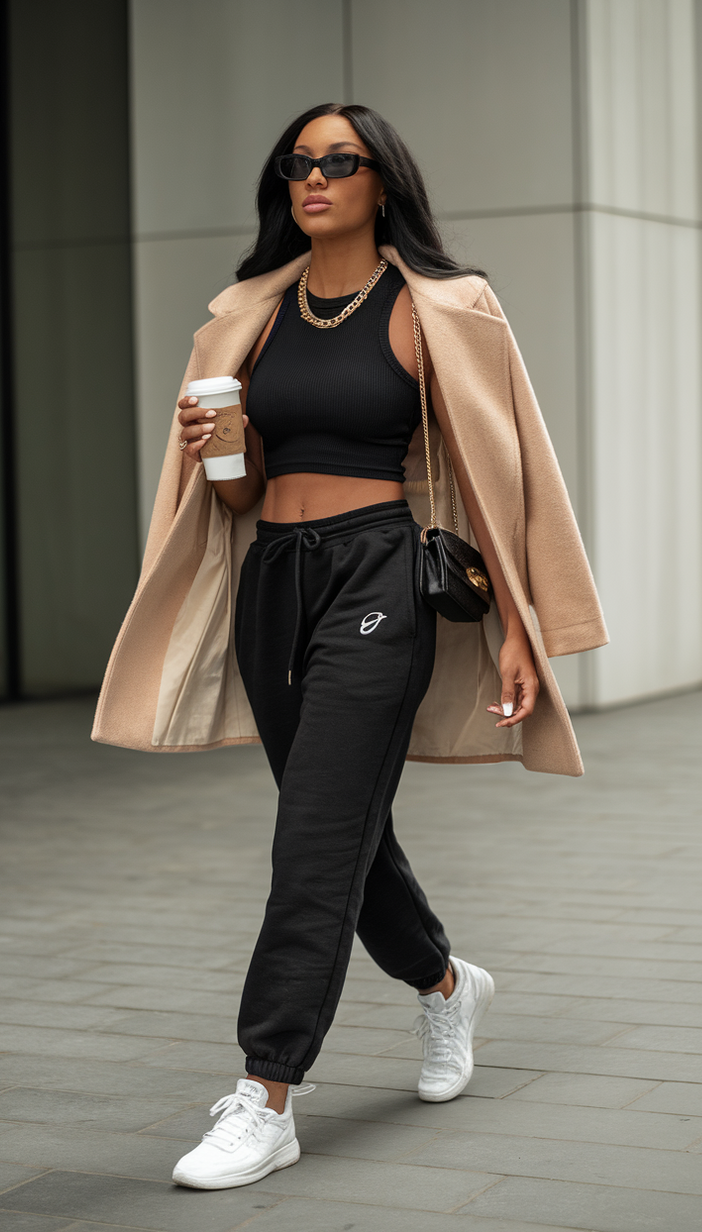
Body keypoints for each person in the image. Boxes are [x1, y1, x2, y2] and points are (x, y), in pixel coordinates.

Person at [92, 103, 607, 1191]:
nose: (313, 177)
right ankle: (442, 987)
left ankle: (267, 1091)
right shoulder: (251, 317)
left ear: (384, 181)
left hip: (380, 576)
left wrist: (521, 630)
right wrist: (216, 450)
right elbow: (233, 498)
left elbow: (498, 473)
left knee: (313, 839)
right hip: (272, 580)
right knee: (339, 829)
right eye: (297, 163)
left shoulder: (443, 309)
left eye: (338, 162)